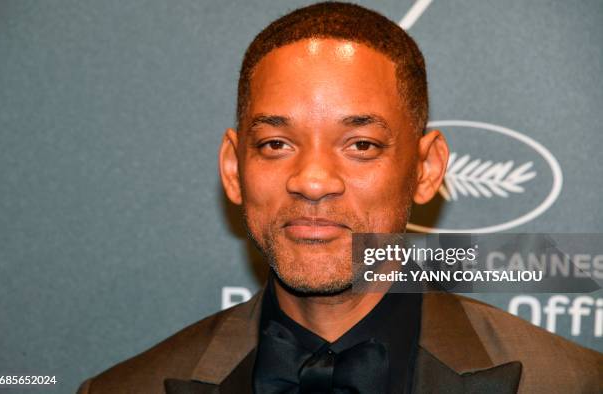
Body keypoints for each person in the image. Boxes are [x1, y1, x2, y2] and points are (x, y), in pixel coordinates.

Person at [78, 2, 602, 393]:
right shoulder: (123, 389)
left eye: (361, 145)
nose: (312, 180)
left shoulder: (571, 382)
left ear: (426, 169)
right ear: (234, 167)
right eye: (276, 143)